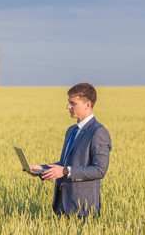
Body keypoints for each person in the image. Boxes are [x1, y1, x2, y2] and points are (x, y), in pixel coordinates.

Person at [27, 83, 111, 218]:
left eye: (73, 103)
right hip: (61, 205)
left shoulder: (98, 132)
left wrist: (65, 171)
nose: (68, 107)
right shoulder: (71, 130)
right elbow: (65, 163)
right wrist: (41, 169)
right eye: (68, 103)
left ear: (87, 105)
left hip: (82, 209)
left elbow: (100, 170)